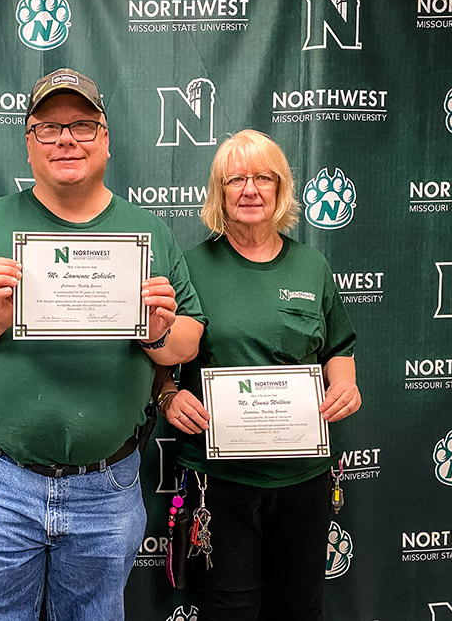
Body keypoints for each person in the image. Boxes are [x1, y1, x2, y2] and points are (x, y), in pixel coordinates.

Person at [0, 67, 207, 621]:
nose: (66, 139)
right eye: (48, 128)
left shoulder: (149, 232)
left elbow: (187, 340)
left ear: (106, 140)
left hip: (108, 483)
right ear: (28, 144)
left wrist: (155, 333)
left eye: (82, 125)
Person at [161, 130, 362, 620]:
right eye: (236, 180)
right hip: (219, 481)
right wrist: (168, 395)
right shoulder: (191, 267)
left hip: (303, 479)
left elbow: (338, 347)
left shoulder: (312, 266)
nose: (250, 190)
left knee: (298, 609)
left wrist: (345, 383)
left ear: (280, 189)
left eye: (262, 178)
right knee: (227, 611)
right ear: (219, 193)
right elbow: (156, 354)